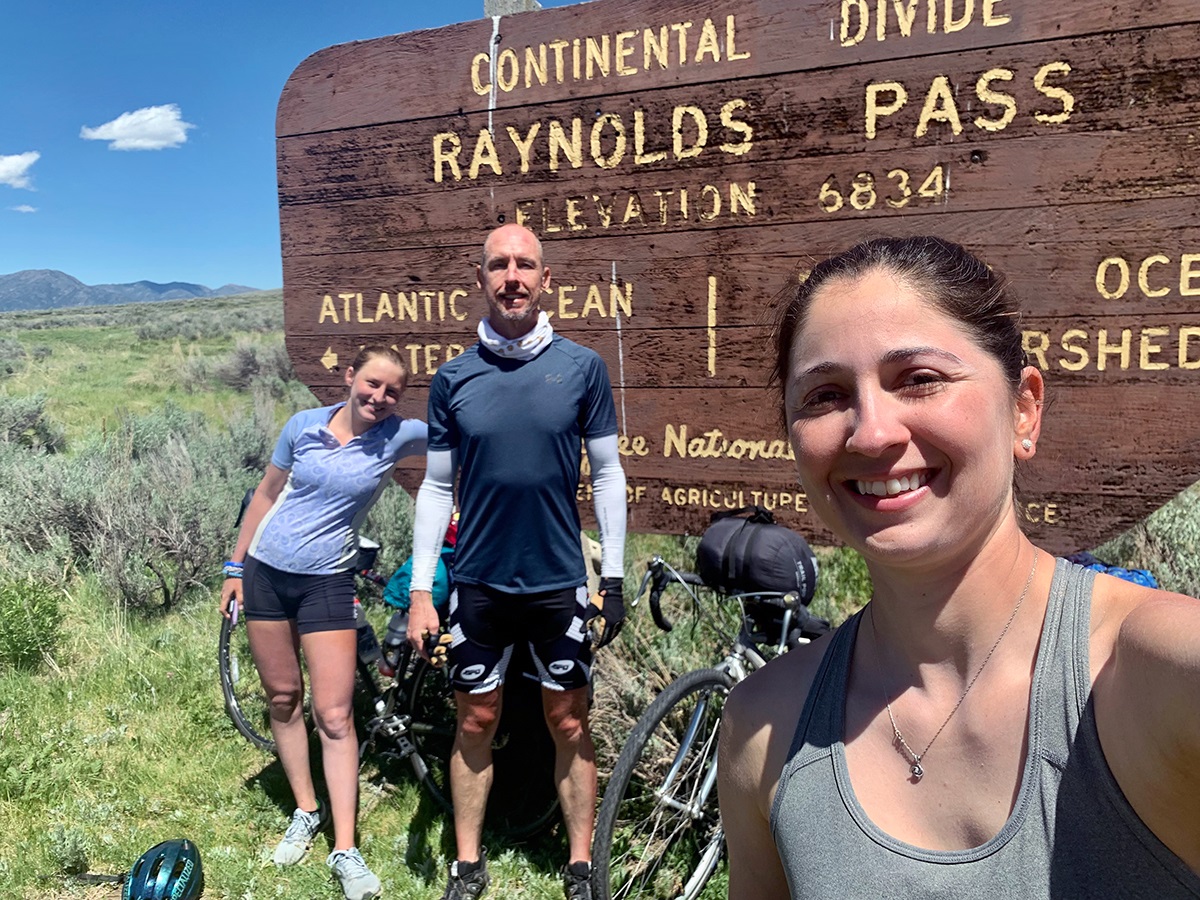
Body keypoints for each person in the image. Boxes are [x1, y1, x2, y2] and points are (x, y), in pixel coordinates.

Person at [718, 236, 1200, 898]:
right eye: (826, 395)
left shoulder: (1146, 673)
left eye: (919, 379)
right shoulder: (764, 728)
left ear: (1024, 408)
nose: (870, 432)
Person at [406, 223, 627, 900]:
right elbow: (437, 487)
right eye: (498, 265)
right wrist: (420, 589)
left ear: (545, 279)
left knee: (568, 720)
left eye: (524, 265)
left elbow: (610, 474)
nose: (511, 277)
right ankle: (467, 864)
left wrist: (612, 577)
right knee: (475, 720)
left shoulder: (582, 367)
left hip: (559, 580)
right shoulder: (454, 379)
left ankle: (581, 865)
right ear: (481, 280)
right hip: (478, 582)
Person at [220, 345, 428, 900]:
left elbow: (463, 433)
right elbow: (265, 496)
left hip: (327, 581)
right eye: (372, 384)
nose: (379, 398)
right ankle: (305, 811)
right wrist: (234, 566)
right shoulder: (302, 426)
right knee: (283, 698)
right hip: (266, 572)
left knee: (334, 715)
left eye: (392, 392)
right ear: (348, 377)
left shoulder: (399, 436)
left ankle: (345, 846)